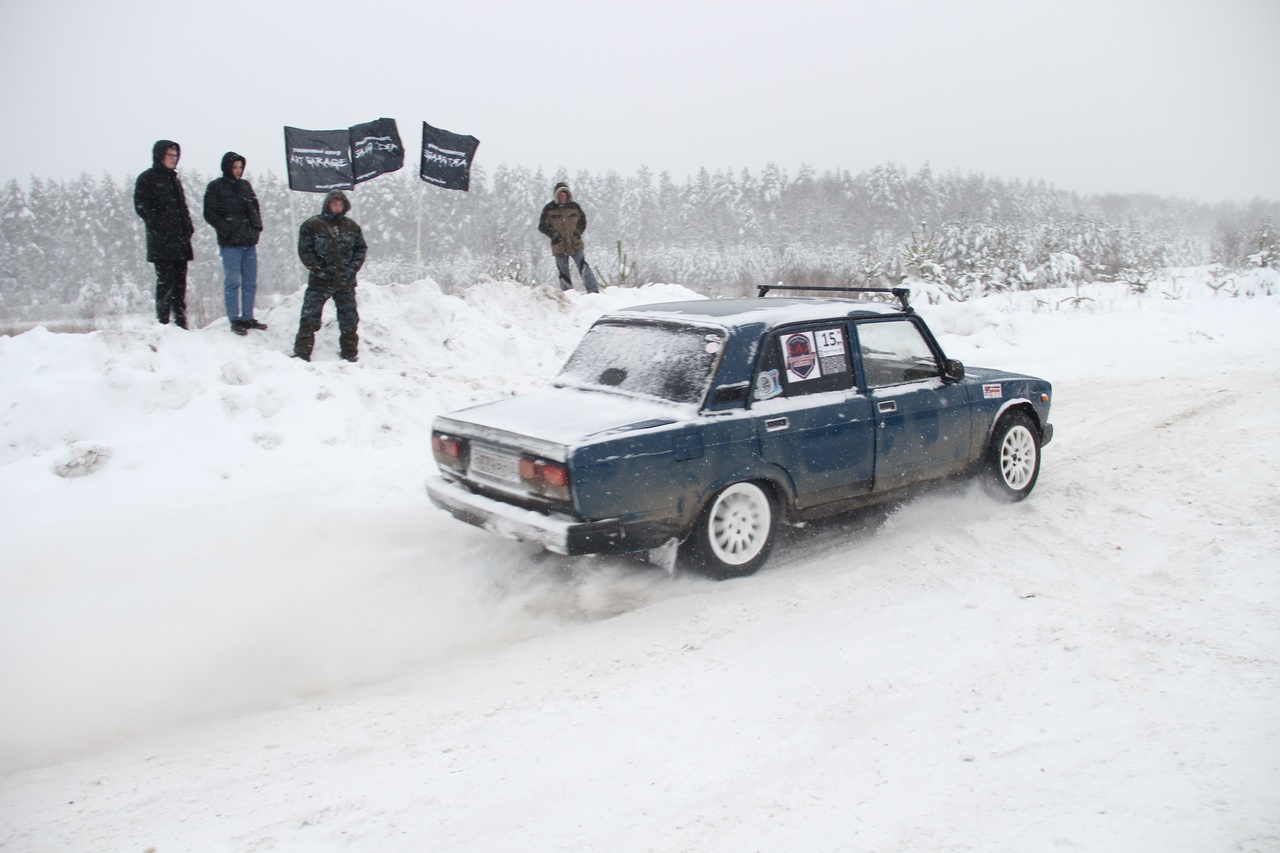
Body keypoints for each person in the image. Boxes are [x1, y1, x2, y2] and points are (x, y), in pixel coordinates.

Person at [292, 190, 367, 363]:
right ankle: (302, 352)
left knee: (349, 319)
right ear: (327, 204)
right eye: (334, 203)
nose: (337, 207)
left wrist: (352, 269)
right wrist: (319, 270)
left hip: (345, 281)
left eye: (340, 204)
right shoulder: (312, 225)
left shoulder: (351, 227)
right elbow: (305, 251)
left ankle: (350, 352)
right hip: (320, 281)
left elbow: (360, 249)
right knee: (309, 317)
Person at [133, 140, 194, 327]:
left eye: (176, 156)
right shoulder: (147, 178)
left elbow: (182, 208)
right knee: (165, 283)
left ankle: (181, 322)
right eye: (170, 155)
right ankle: (163, 323)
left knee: (180, 285)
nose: (173, 159)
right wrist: (160, 225)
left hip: (180, 242)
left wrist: (187, 227)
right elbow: (142, 207)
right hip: (161, 242)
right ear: (160, 155)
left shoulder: (174, 180)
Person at [203, 151, 265, 335]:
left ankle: (247, 316)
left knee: (250, 281)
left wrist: (256, 228)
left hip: (249, 242)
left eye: (240, 167)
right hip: (230, 243)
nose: (238, 171)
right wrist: (228, 230)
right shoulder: (215, 187)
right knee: (233, 281)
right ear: (227, 167)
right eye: (235, 167)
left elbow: (255, 208)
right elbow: (210, 213)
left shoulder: (245, 186)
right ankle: (234, 319)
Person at [538, 181, 600, 293]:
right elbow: (542, 226)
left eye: (565, 194)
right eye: (560, 194)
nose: (563, 196)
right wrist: (553, 235)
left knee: (583, 267)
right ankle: (568, 294)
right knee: (563, 271)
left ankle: (593, 291)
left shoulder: (575, 207)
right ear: (556, 195)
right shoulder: (549, 209)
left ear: (568, 194)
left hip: (575, 243)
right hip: (559, 245)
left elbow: (583, 221)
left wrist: (577, 233)